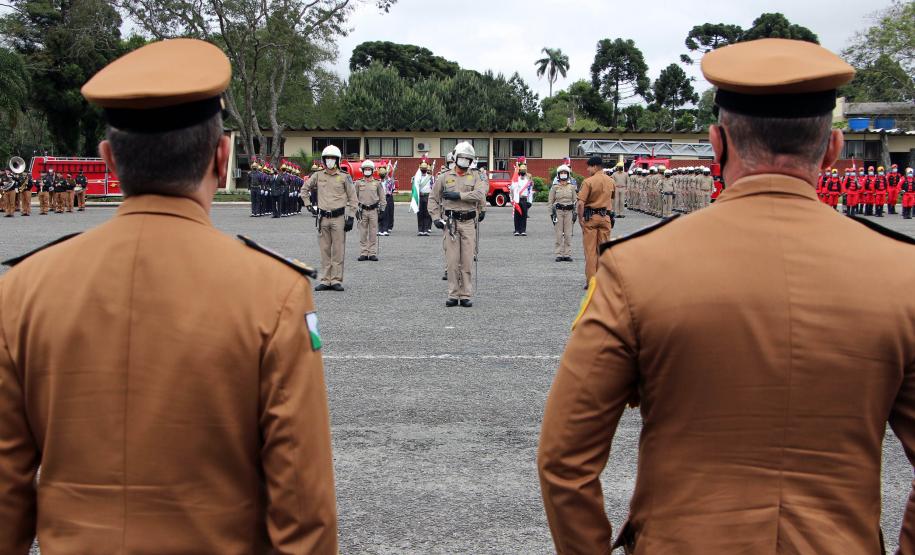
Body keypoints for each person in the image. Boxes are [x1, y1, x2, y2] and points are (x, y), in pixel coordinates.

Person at [539, 37, 915, 555]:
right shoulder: (903, 273)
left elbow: (565, 460)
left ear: (717, 145)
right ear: (832, 150)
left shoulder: (637, 267)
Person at [0, 38, 337, 554]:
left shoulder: (23, 288)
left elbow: (6, 497)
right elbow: (304, 510)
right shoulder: (275, 291)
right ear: (221, 156)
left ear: (109, 160)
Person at [429, 141, 487, 307]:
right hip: (451, 223)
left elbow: (480, 193)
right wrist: (435, 217)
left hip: (468, 222)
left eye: (468, 159)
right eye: (462, 158)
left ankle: (466, 294)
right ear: (455, 158)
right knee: (453, 261)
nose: (465, 161)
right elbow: (433, 198)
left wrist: (459, 196)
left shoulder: (476, 176)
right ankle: (454, 294)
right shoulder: (444, 177)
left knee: (467, 260)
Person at [303, 144, 356, 291]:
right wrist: (308, 205)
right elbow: (304, 189)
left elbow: (353, 198)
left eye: (333, 158)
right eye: (327, 158)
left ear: (338, 160)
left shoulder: (344, 177)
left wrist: (351, 217)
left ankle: (336, 280)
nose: (330, 161)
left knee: (338, 250)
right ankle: (326, 280)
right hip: (323, 218)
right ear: (323, 160)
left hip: (339, 218)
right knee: (325, 250)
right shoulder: (318, 175)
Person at [577, 156, 614, 288]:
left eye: (589, 167)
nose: (588, 169)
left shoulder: (588, 182)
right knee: (603, 251)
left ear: (595, 166)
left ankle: (592, 282)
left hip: (591, 219)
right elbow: (612, 198)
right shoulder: (611, 181)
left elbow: (581, 203)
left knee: (590, 251)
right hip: (606, 218)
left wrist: (580, 219)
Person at [354, 159, 386, 261]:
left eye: (369, 169)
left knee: (373, 232)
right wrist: (355, 210)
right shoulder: (358, 183)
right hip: (362, 211)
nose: (367, 171)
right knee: (363, 232)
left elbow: (382, 198)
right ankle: (364, 252)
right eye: (365, 169)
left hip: (374, 211)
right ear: (362, 170)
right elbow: (354, 197)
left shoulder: (377, 183)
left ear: (372, 171)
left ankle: (372, 253)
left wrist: (382, 211)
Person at [548, 164, 576, 262]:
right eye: (561, 173)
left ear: (568, 174)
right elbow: (550, 202)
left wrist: (575, 213)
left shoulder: (572, 187)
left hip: (569, 212)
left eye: (565, 173)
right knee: (559, 234)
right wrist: (551, 214)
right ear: (558, 175)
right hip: (558, 212)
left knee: (568, 234)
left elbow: (575, 201)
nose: (563, 174)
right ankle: (559, 254)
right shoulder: (555, 187)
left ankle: (567, 254)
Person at [510, 157, 534, 236]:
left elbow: (530, 192)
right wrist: (512, 199)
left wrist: (530, 201)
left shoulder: (528, 181)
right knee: (517, 216)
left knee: (524, 215)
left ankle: (523, 230)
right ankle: (517, 230)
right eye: (521, 171)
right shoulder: (516, 180)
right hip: (517, 199)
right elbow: (512, 189)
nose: (523, 172)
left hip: (524, 199)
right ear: (519, 172)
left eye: (524, 171)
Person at [412, 159, 434, 235]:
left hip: (428, 196)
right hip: (420, 196)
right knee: (420, 213)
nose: (424, 170)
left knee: (427, 213)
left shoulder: (431, 177)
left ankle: (426, 229)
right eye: (422, 168)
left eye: (425, 168)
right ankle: (420, 229)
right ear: (420, 168)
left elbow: (433, 187)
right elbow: (414, 187)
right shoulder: (417, 177)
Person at [378, 162, 395, 236]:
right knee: (380, 214)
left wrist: (392, 172)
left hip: (387, 198)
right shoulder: (377, 182)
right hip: (379, 199)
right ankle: (380, 229)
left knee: (386, 214)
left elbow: (391, 187)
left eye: (383, 174)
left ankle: (385, 229)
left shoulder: (389, 182)